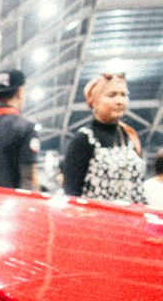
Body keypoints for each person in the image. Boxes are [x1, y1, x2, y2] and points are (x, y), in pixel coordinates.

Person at [62, 73, 145, 205]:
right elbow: (71, 193)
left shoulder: (129, 136)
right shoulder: (83, 140)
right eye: (112, 95)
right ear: (95, 102)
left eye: (123, 95)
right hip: (96, 220)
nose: (119, 101)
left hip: (130, 219)